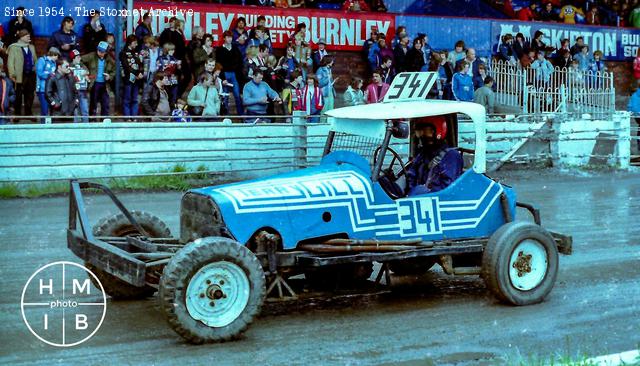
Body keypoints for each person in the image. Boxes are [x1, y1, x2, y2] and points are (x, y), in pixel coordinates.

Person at [407, 119, 463, 196]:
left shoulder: (451, 156)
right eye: (419, 132)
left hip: (435, 200)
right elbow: (411, 175)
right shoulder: (423, 153)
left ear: (437, 130)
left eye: (425, 131)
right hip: (418, 196)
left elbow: (448, 190)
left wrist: (423, 191)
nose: (421, 135)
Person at [81, 41, 115, 118]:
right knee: (93, 103)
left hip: (104, 84)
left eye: (102, 51)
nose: (99, 52)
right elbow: (80, 60)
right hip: (94, 83)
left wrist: (110, 76)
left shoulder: (109, 59)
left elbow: (114, 69)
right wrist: (86, 70)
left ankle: (104, 121)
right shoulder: (91, 56)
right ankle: (92, 120)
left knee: (105, 103)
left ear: (106, 52)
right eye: (98, 50)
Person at [7, 29, 36, 117]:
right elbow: (10, 62)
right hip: (19, 75)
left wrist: (35, 67)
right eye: (27, 36)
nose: (29, 37)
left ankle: (28, 113)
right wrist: (12, 74)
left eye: (29, 36)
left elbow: (35, 59)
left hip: (30, 74)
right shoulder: (14, 47)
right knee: (18, 95)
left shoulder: (31, 47)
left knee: (30, 95)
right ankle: (17, 114)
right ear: (21, 37)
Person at [216, 30, 244, 114]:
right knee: (225, 96)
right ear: (224, 38)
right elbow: (218, 64)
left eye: (231, 37)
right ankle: (226, 115)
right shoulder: (220, 50)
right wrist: (222, 77)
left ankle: (241, 115)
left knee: (237, 95)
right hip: (224, 73)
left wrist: (238, 73)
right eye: (228, 37)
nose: (229, 39)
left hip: (234, 74)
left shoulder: (235, 49)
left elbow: (240, 62)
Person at [119, 35, 144, 119]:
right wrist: (136, 74)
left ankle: (134, 117)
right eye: (135, 43)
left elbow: (140, 64)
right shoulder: (123, 53)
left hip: (137, 80)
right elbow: (126, 67)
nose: (136, 45)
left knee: (135, 99)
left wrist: (140, 73)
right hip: (128, 79)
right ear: (130, 43)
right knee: (127, 98)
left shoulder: (136, 53)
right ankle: (127, 117)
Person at [35, 47, 60, 119]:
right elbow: (39, 73)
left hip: (51, 89)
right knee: (45, 108)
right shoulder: (42, 60)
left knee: (51, 108)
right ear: (53, 54)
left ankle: (49, 124)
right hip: (42, 89)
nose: (57, 58)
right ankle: (43, 125)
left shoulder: (54, 63)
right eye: (57, 56)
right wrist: (50, 75)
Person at [157, 42, 181, 108]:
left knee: (173, 98)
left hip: (174, 81)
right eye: (171, 50)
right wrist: (167, 67)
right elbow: (158, 70)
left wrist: (179, 66)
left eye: (173, 50)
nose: (173, 51)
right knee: (165, 99)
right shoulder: (160, 59)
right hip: (165, 82)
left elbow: (178, 71)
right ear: (166, 50)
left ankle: (173, 112)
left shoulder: (174, 59)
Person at [69, 50, 90, 122]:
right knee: (76, 111)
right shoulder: (69, 66)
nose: (80, 58)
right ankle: (76, 127)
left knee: (85, 109)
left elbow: (87, 73)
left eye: (79, 57)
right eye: (77, 57)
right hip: (74, 92)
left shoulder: (82, 65)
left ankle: (86, 125)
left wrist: (86, 74)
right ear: (73, 58)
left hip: (83, 90)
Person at [627, 84, 640, 152]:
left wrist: (630, 112)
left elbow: (630, 107)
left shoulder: (634, 95)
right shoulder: (635, 95)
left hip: (637, 116)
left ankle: (639, 146)